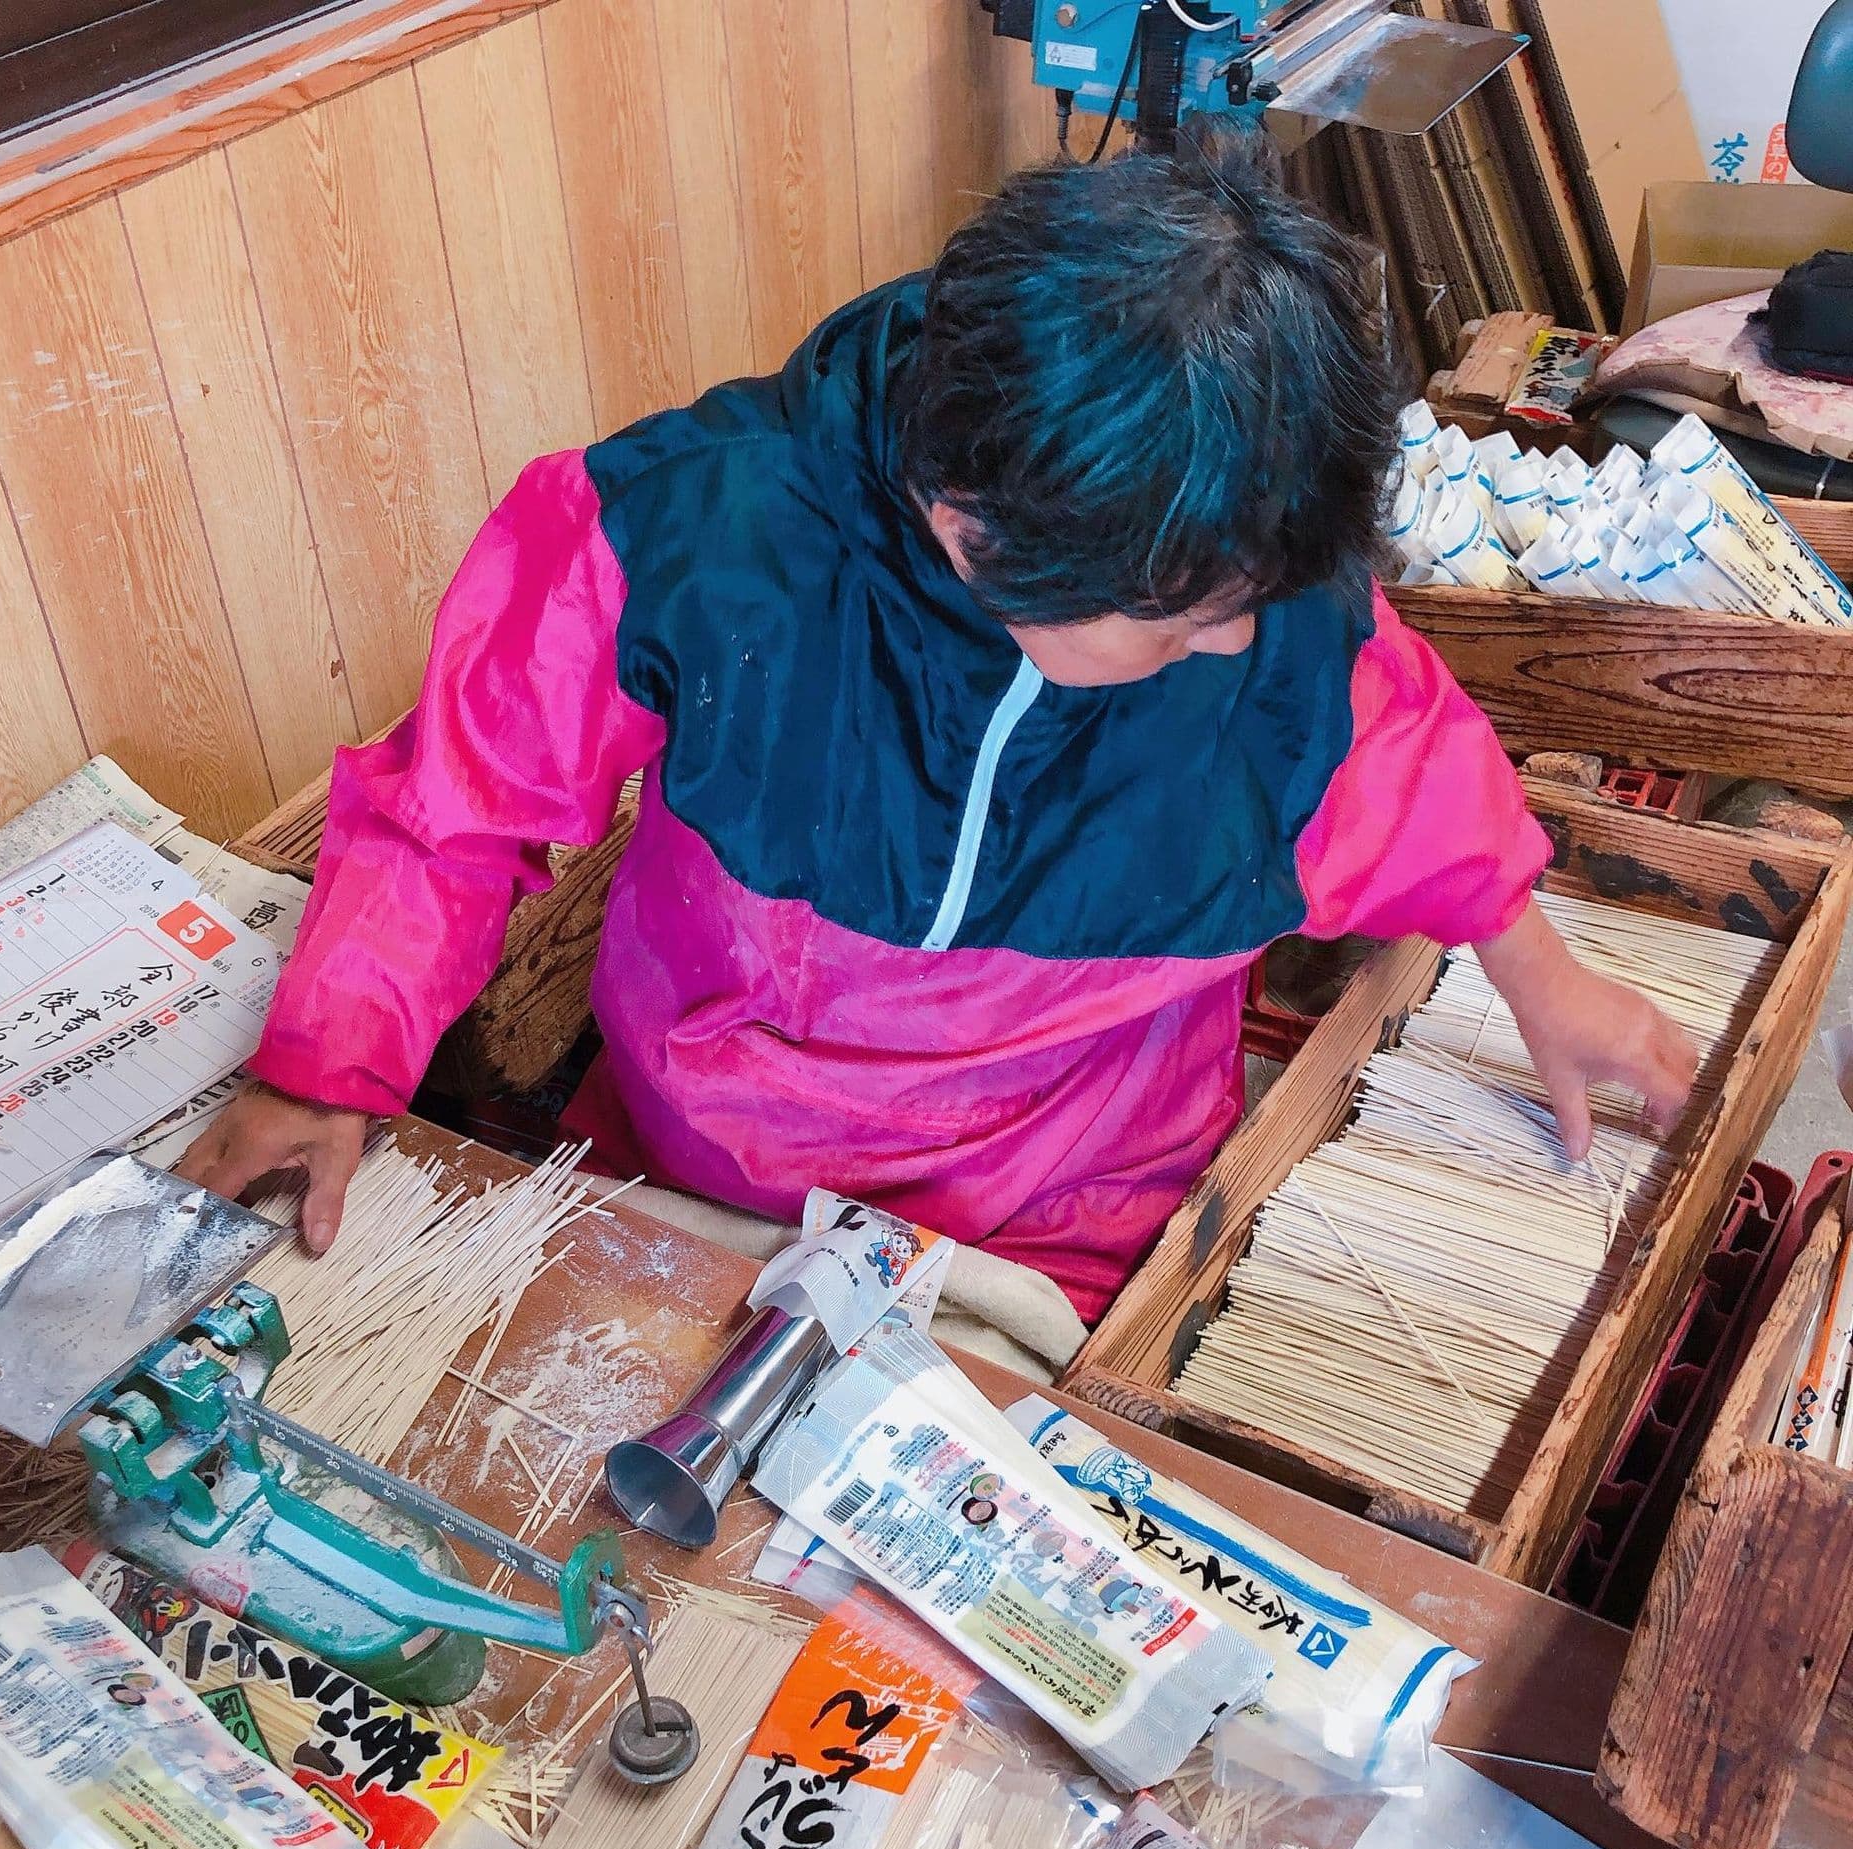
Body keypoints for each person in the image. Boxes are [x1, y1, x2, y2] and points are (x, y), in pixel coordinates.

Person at [178, 140, 1693, 1322]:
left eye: (1248, 603)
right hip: (696, 1170)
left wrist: (1545, 977)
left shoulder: (1268, 610)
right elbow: (457, 807)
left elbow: (1411, 765)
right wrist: (326, 1068)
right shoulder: (685, 534)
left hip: (1068, 1225)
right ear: (972, 527)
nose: (1234, 643)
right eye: (1180, 621)